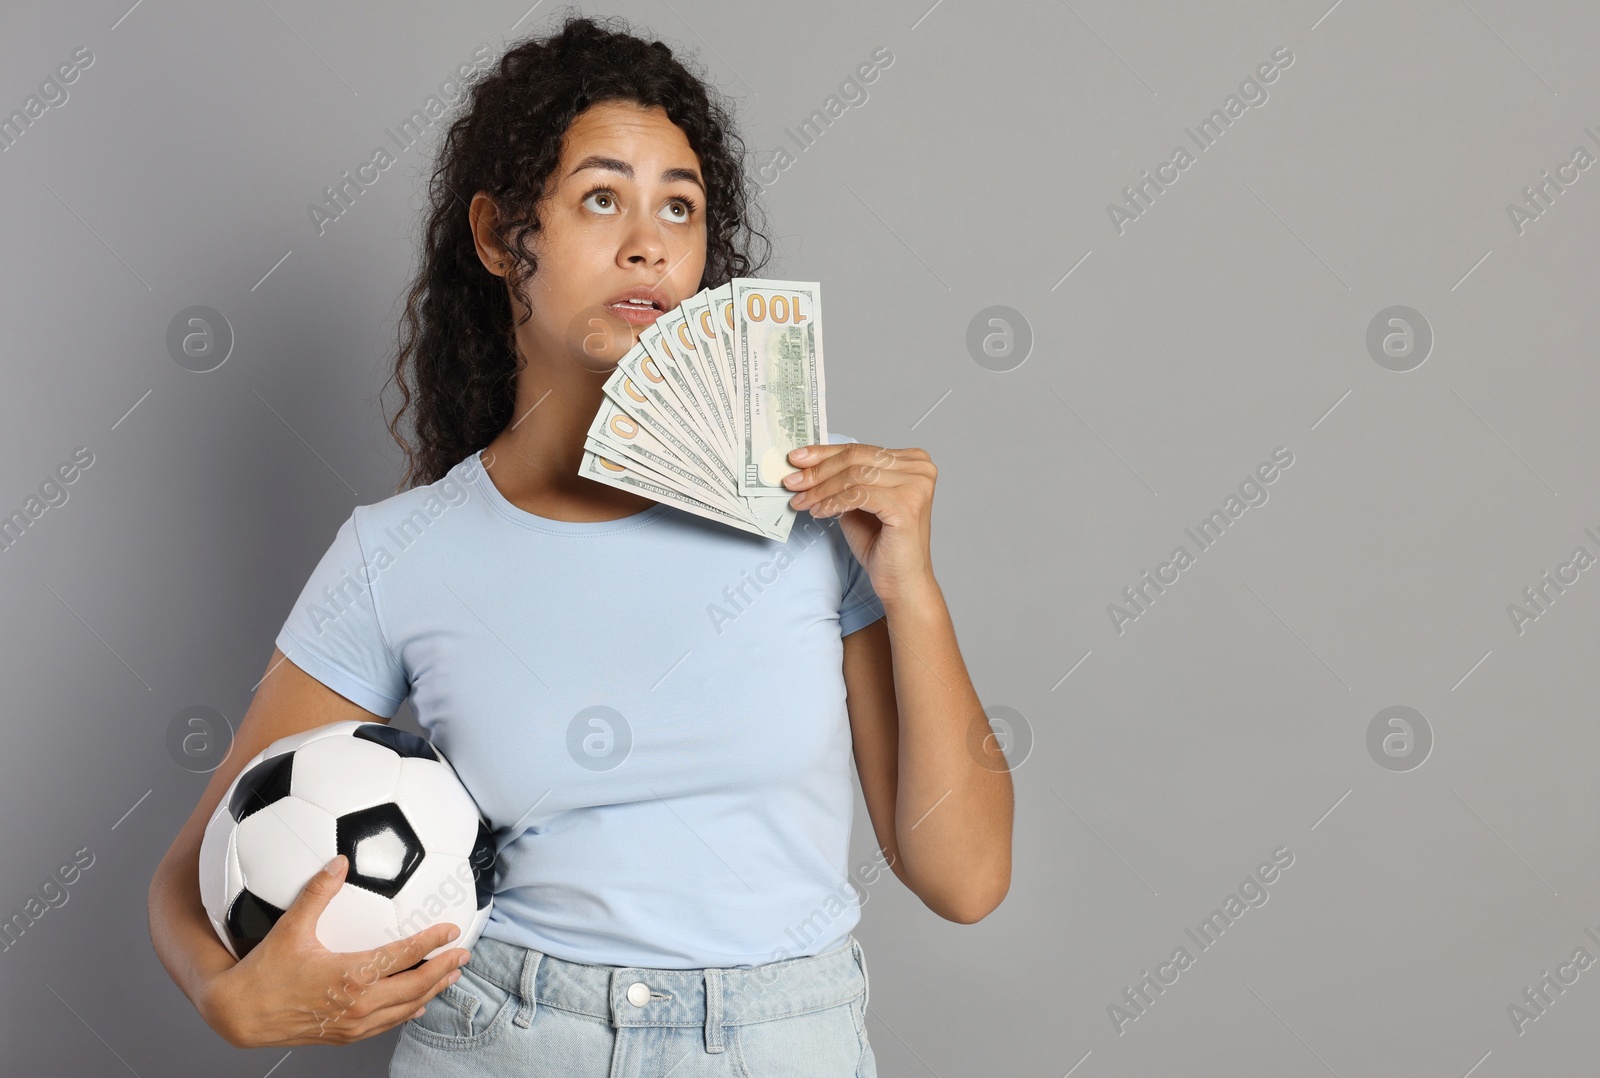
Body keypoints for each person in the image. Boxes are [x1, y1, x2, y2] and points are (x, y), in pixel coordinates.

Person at [147, 14, 1011, 1076]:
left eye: (679, 207)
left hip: (781, 1043)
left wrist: (911, 589)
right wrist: (229, 1000)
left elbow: (964, 878)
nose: (647, 240)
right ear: (501, 234)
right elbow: (191, 872)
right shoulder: (401, 552)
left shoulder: (813, 525)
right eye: (602, 197)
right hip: (507, 1039)